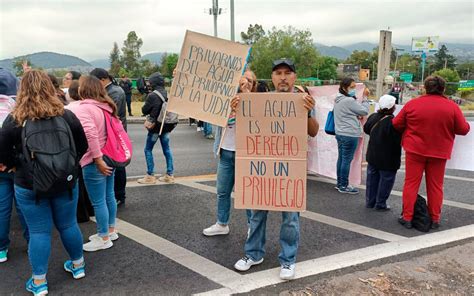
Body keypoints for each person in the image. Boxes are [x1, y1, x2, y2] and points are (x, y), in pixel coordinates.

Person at [1, 70, 88, 295]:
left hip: (30, 183)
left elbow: (2, 152)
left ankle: (39, 282)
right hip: (66, 180)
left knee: (39, 232)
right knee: (69, 224)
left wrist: (15, 164)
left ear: (23, 90)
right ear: (50, 88)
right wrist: (66, 165)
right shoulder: (65, 114)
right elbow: (82, 145)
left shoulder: (15, 119)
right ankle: (78, 266)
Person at [233, 59, 319, 280]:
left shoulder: (303, 101)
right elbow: (243, 127)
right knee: (257, 215)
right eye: (278, 73)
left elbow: (314, 132)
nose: (283, 77)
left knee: (290, 218)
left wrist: (308, 113)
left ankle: (288, 260)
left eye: (287, 73)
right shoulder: (259, 101)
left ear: (294, 77)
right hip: (263, 171)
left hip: (290, 171)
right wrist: (238, 107)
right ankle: (253, 254)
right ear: (271, 78)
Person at [393, 76, 470, 229]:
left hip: (415, 149)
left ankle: (407, 217)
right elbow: (463, 129)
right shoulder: (452, 107)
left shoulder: (413, 104)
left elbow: (396, 124)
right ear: (443, 89)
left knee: (411, 183)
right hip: (439, 151)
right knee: (435, 186)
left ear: (425, 88)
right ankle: (435, 218)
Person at [202, 69, 257, 236]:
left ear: (253, 85)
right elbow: (208, 112)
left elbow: (257, 124)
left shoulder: (258, 102)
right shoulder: (226, 100)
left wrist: (246, 94)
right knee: (222, 191)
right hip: (226, 151)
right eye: (241, 80)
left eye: (248, 81)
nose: (244, 83)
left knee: (247, 194)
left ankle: (252, 227)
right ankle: (222, 223)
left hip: (245, 154)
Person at [69, 75, 120, 252]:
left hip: (95, 160)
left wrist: (97, 159)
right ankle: (110, 230)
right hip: (111, 157)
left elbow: (90, 134)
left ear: (84, 90)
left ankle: (103, 237)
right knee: (109, 196)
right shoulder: (106, 107)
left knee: (98, 201)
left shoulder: (85, 109)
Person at [0, 68, 29, 263]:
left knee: (2, 208)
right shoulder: (19, 110)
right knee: (24, 206)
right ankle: (31, 243)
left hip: (1, 166)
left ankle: (1, 248)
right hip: (18, 165)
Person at [90, 68, 128, 206]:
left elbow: (111, 114)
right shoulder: (113, 90)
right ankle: (117, 195)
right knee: (116, 165)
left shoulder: (114, 92)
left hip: (115, 134)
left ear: (102, 80)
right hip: (114, 132)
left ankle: (119, 195)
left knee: (117, 165)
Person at [137, 72, 177, 184]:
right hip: (167, 126)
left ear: (153, 83)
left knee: (148, 149)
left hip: (155, 127)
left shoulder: (152, 95)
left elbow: (144, 110)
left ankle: (150, 175)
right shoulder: (168, 94)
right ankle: (170, 175)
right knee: (167, 149)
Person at [363, 95, 401, 211]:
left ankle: (370, 201)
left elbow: (366, 129)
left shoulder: (373, 116)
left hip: (373, 154)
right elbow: (398, 139)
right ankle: (380, 203)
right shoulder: (393, 121)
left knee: (372, 179)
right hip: (388, 157)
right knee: (386, 180)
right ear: (392, 107)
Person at [65, 79, 95, 223]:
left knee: (78, 184)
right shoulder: (90, 107)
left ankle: (81, 214)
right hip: (90, 151)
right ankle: (90, 209)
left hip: (75, 152)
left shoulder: (69, 110)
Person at [333, 78, 369, 194]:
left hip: (340, 133)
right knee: (346, 160)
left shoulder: (338, 99)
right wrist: (366, 99)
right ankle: (344, 185)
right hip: (350, 134)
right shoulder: (349, 100)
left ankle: (340, 183)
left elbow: (347, 113)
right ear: (344, 87)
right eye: (352, 87)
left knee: (342, 159)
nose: (354, 90)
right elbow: (364, 111)